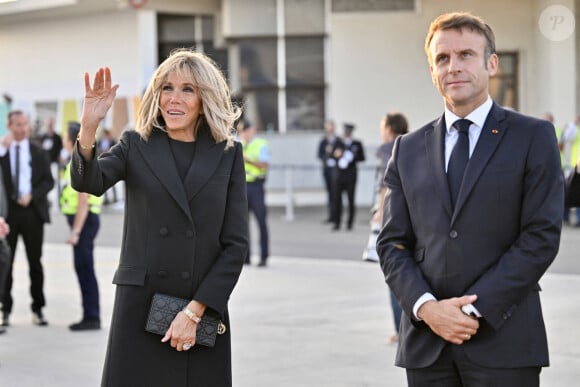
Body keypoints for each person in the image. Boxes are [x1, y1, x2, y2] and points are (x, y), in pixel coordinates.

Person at [376, 12, 563, 386]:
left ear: (491, 63)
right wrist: (427, 309)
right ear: (432, 70)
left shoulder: (533, 137)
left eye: (465, 55)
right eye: (442, 59)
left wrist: (471, 311)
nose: (453, 67)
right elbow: (392, 244)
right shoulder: (407, 149)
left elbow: (540, 237)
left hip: (504, 340)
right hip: (427, 346)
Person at [71, 49, 249, 386]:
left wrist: (194, 312)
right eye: (166, 88)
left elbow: (235, 246)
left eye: (188, 89)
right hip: (139, 310)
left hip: (200, 311)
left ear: (204, 99)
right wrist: (89, 126)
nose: (174, 98)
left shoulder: (228, 154)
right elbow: (88, 181)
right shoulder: (136, 144)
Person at [0, 110, 54, 327]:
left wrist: (33, 195)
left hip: (32, 212)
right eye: (17, 125)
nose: (22, 128)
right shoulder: (3, 151)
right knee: (5, 263)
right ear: (9, 126)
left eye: (25, 124)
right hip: (8, 215)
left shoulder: (38, 151)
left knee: (35, 263)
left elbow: (48, 181)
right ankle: (5, 309)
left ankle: (38, 308)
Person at [60, 122, 103, 331]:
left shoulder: (77, 165)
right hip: (85, 222)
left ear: (70, 141)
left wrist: (76, 232)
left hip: (84, 223)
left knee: (85, 269)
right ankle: (90, 315)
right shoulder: (77, 162)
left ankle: (91, 316)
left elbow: (83, 200)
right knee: (84, 269)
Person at [370, 112, 408, 343]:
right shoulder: (415, 143)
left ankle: (401, 330)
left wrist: (381, 212)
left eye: (383, 126)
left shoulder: (389, 148)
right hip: (413, 216)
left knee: (395, 274)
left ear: (390, 128)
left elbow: (387, 183)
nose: (382, 131)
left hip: (393, 217)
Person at [238, 120, 270, 267]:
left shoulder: (261, 144)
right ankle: (246, 257)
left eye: (245, 131)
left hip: (256, 187)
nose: (244, 134)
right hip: (243, 187)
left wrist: (248, 160)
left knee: (261, 222)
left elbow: (264, 164)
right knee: (243, 225)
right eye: (241, 132)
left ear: (252, 130)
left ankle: (264, 256)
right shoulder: (240, 144)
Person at [332, 123, 365, 231]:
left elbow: (362, 157)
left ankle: (350, 223)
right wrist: (337, 154)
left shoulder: (357, 143)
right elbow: (331, 154)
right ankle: (337, 222)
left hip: (351, 175)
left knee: (351, 200)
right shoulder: (338, 142)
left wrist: (353, 157)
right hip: (339, 175)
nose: (347, 134)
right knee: (337, 199)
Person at [317, 120, 340, 223]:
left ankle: (337, 216)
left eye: (331, 126)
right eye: (328, 127)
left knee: (337, 193)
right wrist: (326, 154)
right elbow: (319, 154)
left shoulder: (339, 140)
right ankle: (331, 216)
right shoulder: (323, 141)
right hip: (327, 170)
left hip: (337, 170)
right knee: (330, 193)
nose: (329, 129)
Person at [96, 128, 118, 205]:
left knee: (113, 181)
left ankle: (115, 198)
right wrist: (101, 151)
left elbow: (116, 150)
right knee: (104, 181)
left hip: (111, 164)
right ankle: (106, 199)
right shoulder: (99, 141)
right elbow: (96, 149)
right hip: (102, 163)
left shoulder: (113, 141)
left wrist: (108, 150)